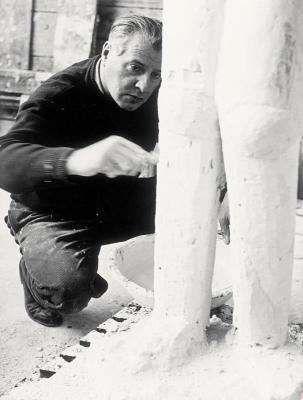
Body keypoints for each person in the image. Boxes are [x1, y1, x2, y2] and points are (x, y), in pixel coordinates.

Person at [0, 15, 229, 328]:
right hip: (56, 210)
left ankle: (80, 258)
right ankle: (41, 276)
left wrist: (223, 191)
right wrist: (76, 160)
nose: (144, 85)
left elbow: (212, 134)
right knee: (68, 291)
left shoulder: (165, 89)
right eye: (135, 67)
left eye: (157, 75)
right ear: (107, 52)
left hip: (119, 198)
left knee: (194, 223)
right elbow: (4, 159)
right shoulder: (60, 93)